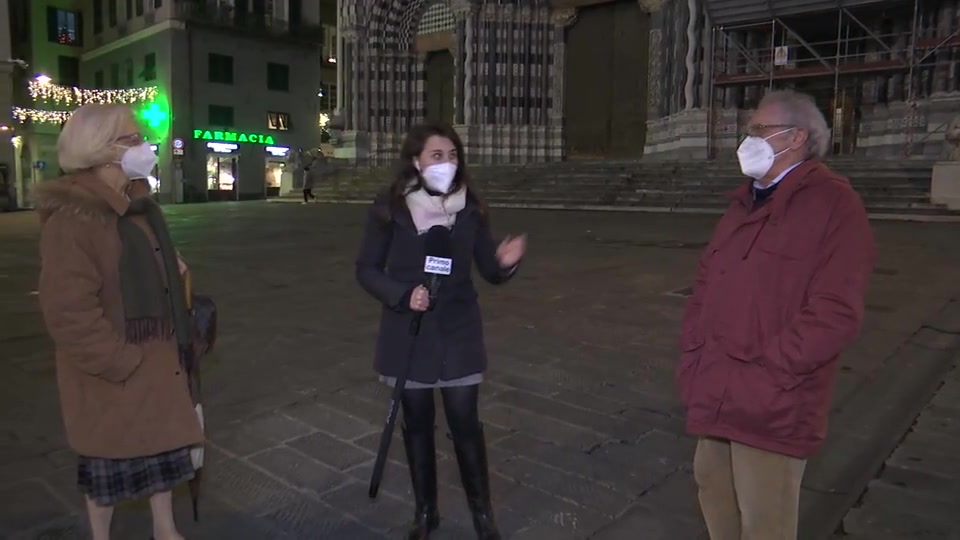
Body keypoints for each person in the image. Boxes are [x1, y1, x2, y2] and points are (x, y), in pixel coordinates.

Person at [676, 89, 876, 540]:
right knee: (714, 494)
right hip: (717, 386)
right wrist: (693, 353)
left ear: (796, 137)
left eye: (759, 130)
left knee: (765, 520)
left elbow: (836, 311)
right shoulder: (743, 202)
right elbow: (706, 281)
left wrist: (771, 370)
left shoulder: (834, 205)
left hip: (774, 401)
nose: (748, 139)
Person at [34, 103, 202, 540]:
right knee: (107, 465)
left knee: (162, 450)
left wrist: (171, 267)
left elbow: (144, 266)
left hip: (157, 361)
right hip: (116, 373)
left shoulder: (139, 206)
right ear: (102, 151)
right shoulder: (75, 218)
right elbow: (68, 312)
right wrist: (120, 362)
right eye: (133, 138)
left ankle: (166, 530)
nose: (145, 145)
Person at [356, 123, 526, 540]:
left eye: (452, 155)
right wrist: (401, 294)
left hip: (457, 329)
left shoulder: (471, 209)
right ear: (416, 160)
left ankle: (483, 516)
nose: (446, 163)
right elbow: (366, 269)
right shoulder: (390, 208)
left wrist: (504, 262)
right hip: (409, 332)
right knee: (416, 424)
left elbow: (488, 269)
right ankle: (425, 512)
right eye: (437, 155)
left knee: (465, 421)